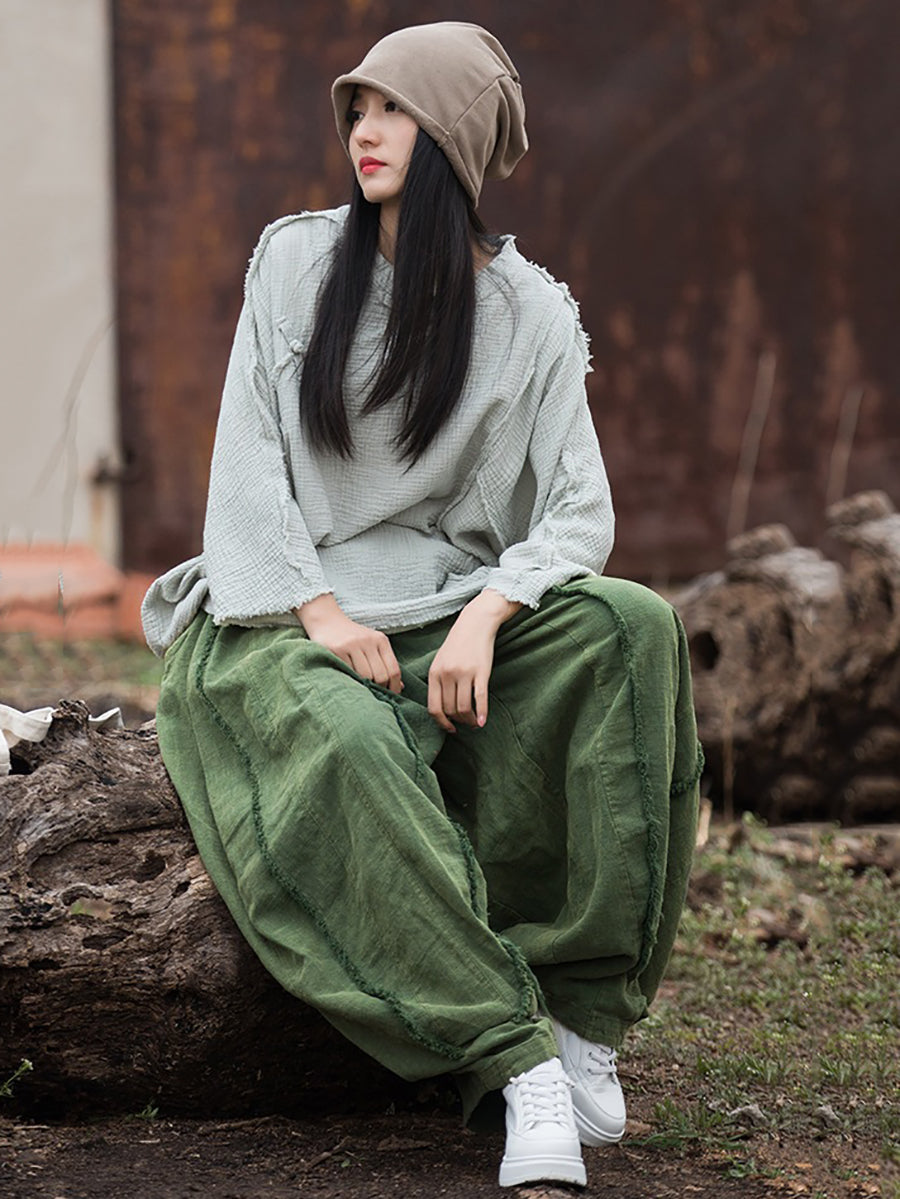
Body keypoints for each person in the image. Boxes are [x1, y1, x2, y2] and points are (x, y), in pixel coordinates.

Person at [142, 21, 701, 1189]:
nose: (364, 129)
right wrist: (322, 615)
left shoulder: (531, 313)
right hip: (280, 613)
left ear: (453, 136)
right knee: (343, 740)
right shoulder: (296, 263)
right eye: (358, 107)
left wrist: (490, 612)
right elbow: (247, 470)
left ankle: (584, 1018)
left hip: (446, 600)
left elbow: (579, 512)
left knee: (631, 626)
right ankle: (514, 1056)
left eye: (394, 108)